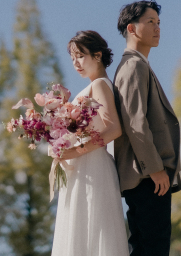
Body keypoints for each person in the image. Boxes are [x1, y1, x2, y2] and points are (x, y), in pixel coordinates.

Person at [50, 30, 129, 256]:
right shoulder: (92, 86)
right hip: (82, 168)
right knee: (81, 232)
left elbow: (113, 128)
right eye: (72, 57)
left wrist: (74, 151)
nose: (76, 63)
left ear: (97, 55)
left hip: (93, 165)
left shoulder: (100, 85)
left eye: (81, 56)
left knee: (94, 231)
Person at [112, 0, 181, 256]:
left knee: (145, 247)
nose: (157, 28)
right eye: (150, 22)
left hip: (146, 176)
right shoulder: (133, 66)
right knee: (153, 247)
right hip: (146, 176)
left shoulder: (139, 65)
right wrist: (155, 169)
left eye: (159, 22)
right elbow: (135, 122)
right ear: (131, 28)